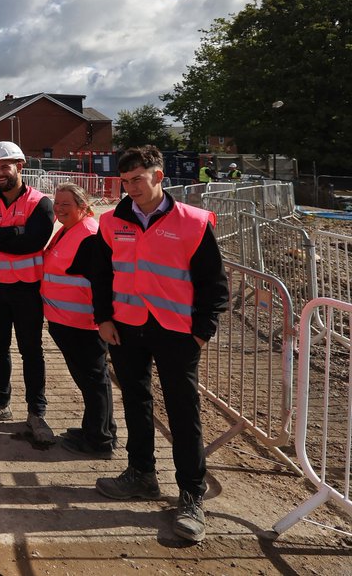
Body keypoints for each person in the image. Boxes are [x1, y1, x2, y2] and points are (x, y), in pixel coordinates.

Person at [90, 145, 229, 543]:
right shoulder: (110, 222)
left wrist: (203, 330)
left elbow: (213, 284)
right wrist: (103, 318)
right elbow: (101, 276)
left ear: (158, 176)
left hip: (176, 331)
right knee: (136, 401)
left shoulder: (193, 222)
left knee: (183, 412)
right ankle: (141, 473)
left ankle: (190, 495)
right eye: (124, 181)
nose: (131, 187)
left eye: (138, 179)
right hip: (126, 328)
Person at [0, 141, 56, 445]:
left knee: (31, 350)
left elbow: (33, 242)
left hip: (26, 289)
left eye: (6, 166)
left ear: (20, 165)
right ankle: (0, 403)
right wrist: (15, 232)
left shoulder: (41, 203)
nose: (0, 173)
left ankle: (36, 412)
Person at [42, 183, 116, 457]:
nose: (59, 209)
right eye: (57, 203)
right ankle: (98, 428)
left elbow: (101, 282)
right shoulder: (69, 229)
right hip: (68, 322)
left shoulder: (89, 235)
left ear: (83, 207)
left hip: (84, 325)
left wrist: (103, 319)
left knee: (93, 381)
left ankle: (99, 440)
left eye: (66, 205)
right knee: (90, 381)